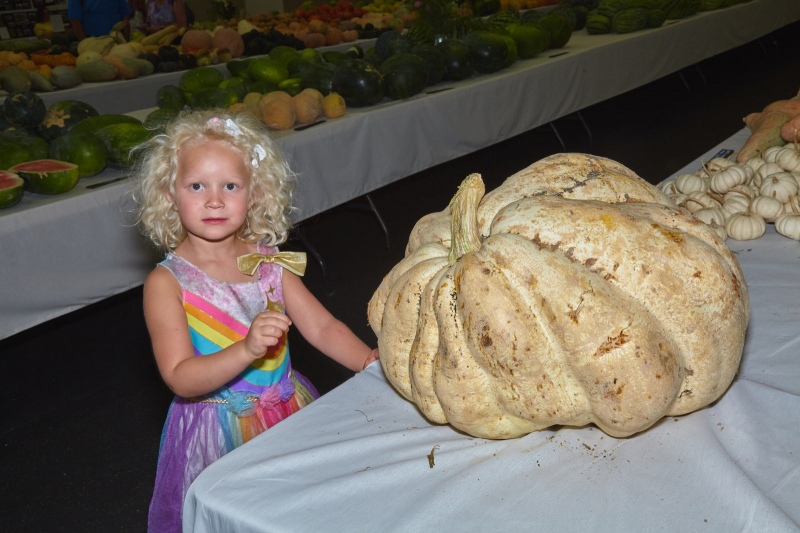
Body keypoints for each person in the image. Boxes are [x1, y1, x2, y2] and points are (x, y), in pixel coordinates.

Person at [133, 109, 380, 533]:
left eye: (230, 186)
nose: (214, 199)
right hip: (215, 430)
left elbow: (322, 328)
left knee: (299, 511)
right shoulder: (166, 282)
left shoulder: (269, 263)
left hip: (287, 409)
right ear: (170, 195)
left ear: (255, 194)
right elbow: (179, 377)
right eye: (197, 186)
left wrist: (368, 362)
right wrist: (246, 349)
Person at [67, 0, 132, 40]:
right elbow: (74, 19)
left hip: (118, 39)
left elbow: (125, 14)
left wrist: (125, 39)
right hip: (93, 40)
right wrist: (85, 43)